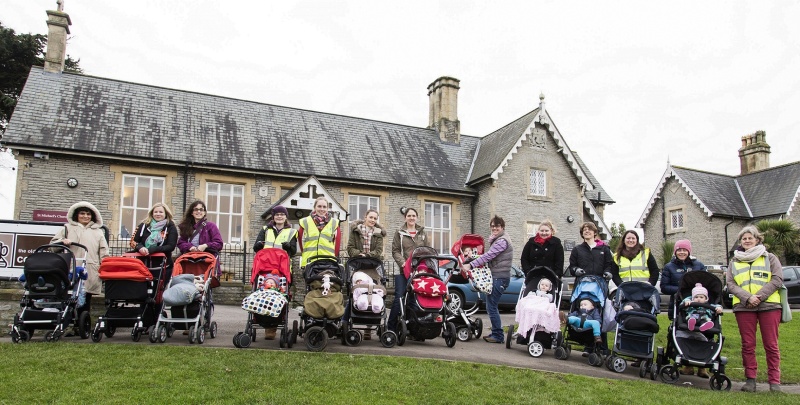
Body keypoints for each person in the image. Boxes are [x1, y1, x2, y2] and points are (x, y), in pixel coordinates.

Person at [727, 225, 783, 393]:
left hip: (769, 306)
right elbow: (730, 283)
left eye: (750, 238)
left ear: (757, 240)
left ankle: (774, 382)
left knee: (771, 345)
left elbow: (777, 279)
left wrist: (758, 297)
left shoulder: (770, 258)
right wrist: (747, 298)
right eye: (744, 238)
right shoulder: (734, 261)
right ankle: (750, 380)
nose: (747, 240)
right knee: (748, 345)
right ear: (740, 242)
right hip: (744, 307)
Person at [50, 201, 110, 330]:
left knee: (85, 298)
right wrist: (62, 242)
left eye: (88, 214)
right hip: (71, 267)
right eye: (82, 213)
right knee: (69, 297)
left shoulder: (98, 232)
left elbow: (104, 252)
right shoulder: (67, 228)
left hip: (90, 267)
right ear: (76, 215)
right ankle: (67, 324)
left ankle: (82, 326)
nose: (85, 216)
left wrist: (103, 268)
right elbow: (53, 246)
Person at [461, 216, 513, 344]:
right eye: (493, 226)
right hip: (498, 277)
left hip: (500, 277)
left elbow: (489, 256)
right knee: (491, 306)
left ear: (502, 227)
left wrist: (471, 265)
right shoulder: (498, 239)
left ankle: (498, 335)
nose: (494, 228)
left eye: (497, 226)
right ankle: (496, 333)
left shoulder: (502, 241)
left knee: (492, 306)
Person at [660, 239, 707, 376]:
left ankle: (701, 365)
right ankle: (686, 365)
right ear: (675, 252)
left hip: (699, 304)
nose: (681, 252)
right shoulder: (669, 267)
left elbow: (706, 283)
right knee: (682, 332)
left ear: (689, 251)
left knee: (703, 332)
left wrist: (696, 293)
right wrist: (682, 290)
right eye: (679, 250)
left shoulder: (698, 265)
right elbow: (664, 286)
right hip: (679, 305)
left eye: (684, 250)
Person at [568, 222, 616, 353]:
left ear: (595, 232)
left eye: (589, 229)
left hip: (599, 286)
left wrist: (608, 272)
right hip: (582, 285)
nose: (586, 231)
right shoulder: (578, 249)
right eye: (584, 229)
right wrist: (576, 270)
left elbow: (609, 264)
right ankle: (587, 345)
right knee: (583, 311)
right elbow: (572, 266)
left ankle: (602, 347)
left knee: (599, 313)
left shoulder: (604, 249)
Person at [176, 200, 224, 335]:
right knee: (187, 292)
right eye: (196, 209)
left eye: (201, 209)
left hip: (205, 264)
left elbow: (219, 243)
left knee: (204, 294)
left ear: (205, 212)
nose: (199, 211)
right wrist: (189, 247)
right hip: (189, 264)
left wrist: (205, 246)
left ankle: (202, 321)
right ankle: (188, 321)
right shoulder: (186, 227)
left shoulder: (210, 226)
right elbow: (180, 243)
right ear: (192, 212)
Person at [344, 209, 386, 339]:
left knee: (374, 294)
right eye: (371, 217)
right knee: (355, 293)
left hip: (373, 269)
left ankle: (369, 328)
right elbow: (350, 248)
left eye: (375, 218)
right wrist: (359, 255)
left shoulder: (378, 233)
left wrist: (368, 256)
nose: (373, 220)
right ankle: (345, 322)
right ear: (365, 217)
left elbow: (378, 250)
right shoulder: (356, 231)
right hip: (358, 267)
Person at [388, 208, 428, 333]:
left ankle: (413, 329)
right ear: (405, 217)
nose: (411, 218)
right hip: (403, 271)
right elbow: (395, 251)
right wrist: (403, 263)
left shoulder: (422, 233)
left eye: (414, 215)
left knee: (414, 300)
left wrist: (424, 266)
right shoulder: (399, 232)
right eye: (409, 215)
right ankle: (391, 328)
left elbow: (427, 250)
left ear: (417, 217)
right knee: (399, 297)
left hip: (418, 272)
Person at [130, 202, 178, 277]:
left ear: (166, 214)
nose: (158, 214)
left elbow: (171, 246)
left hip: (162, 266)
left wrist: (154, 249)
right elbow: (133, 241)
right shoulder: (143, 225)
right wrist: (140, 248)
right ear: (152, 213)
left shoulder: (171, 227)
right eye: (155, 212)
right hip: (143, 265)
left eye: (161, 212)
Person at [298, 196, 341, 267]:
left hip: (328, 262)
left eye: (324, 207)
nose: (322, 209)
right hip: (309, 261)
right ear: (315, 207)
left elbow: (337, 245)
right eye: (319, 206)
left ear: (327, 209)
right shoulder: (305, 222)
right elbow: (300, 243)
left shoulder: (334, 223)